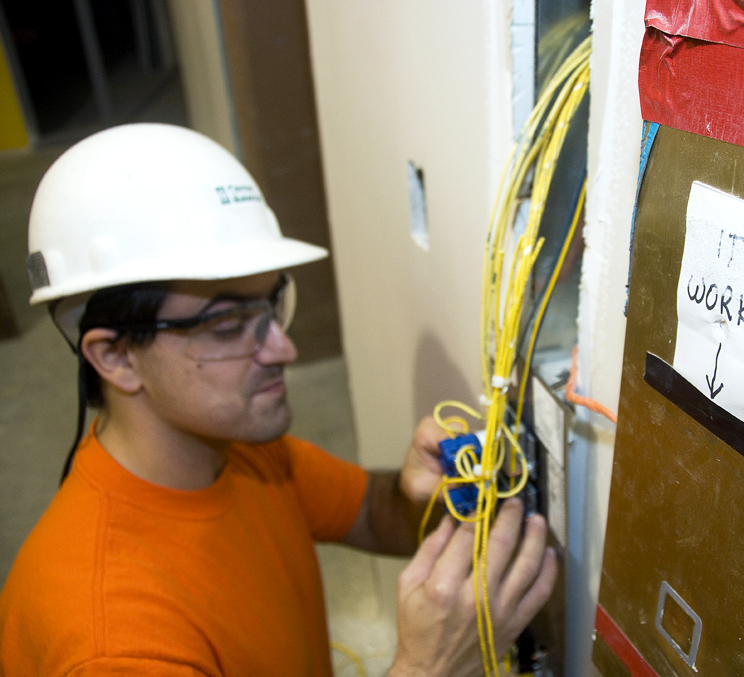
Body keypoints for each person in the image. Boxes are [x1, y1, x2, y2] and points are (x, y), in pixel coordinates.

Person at [0, 123, 557, 676]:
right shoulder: (113, 642)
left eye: (270, 306)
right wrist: (426, 668)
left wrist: (418, 496)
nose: (283, 348)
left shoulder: (232, 449)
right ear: (117, 357)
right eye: (226, 326)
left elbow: (365, 512)